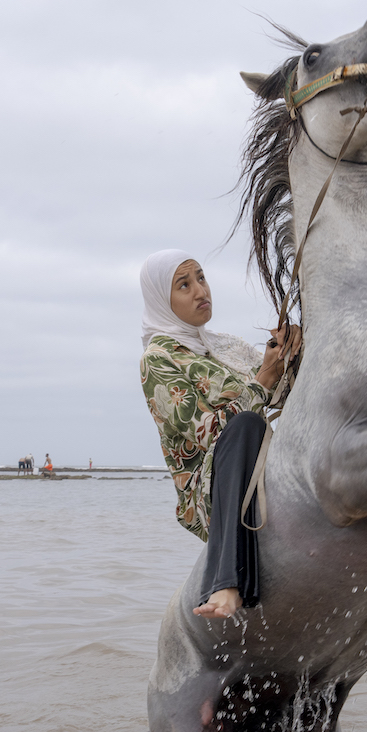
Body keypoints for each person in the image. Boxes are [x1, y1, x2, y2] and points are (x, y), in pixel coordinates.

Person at [139, 249, 303, 620]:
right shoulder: (158, 359)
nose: (200, 290)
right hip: (211, 485)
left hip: (262, 458)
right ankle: (226, 583)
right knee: (246, 425)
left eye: (201, 277)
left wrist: (291, 353)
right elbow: (208, 433)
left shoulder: (225, 345)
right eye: (184, 285)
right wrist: (263, 380)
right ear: (162, 300)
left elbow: (284, 396)